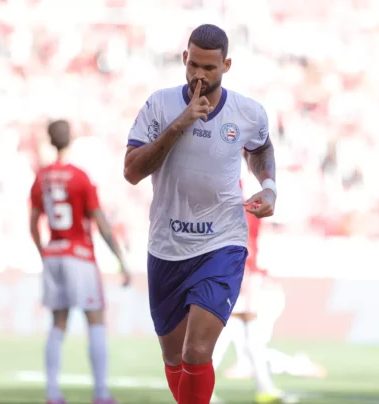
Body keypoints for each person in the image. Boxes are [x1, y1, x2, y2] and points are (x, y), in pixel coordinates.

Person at [123, 24, 277, 404]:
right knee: (174, 357)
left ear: (226, 65)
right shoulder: (159, 106)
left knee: (196, 352)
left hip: (221, 243)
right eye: (193, 65)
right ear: (184, 59)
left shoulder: (247, 112)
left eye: (209, 67)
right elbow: (132, 171)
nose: (199, 75)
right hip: (167, 246)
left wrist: (269, 185)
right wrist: (180, 123)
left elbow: (260, 147)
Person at [30, 120, 131, 404]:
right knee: (95, 320)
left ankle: (52, 392)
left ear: (50, 140)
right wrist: (121, 260)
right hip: (79, 255)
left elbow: (33, 224)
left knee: (58, 323)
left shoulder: (41, 177)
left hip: (54, 254)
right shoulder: (80, 177)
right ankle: (100, 393)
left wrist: (44, 253)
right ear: (71, 139)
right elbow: (101, 222)